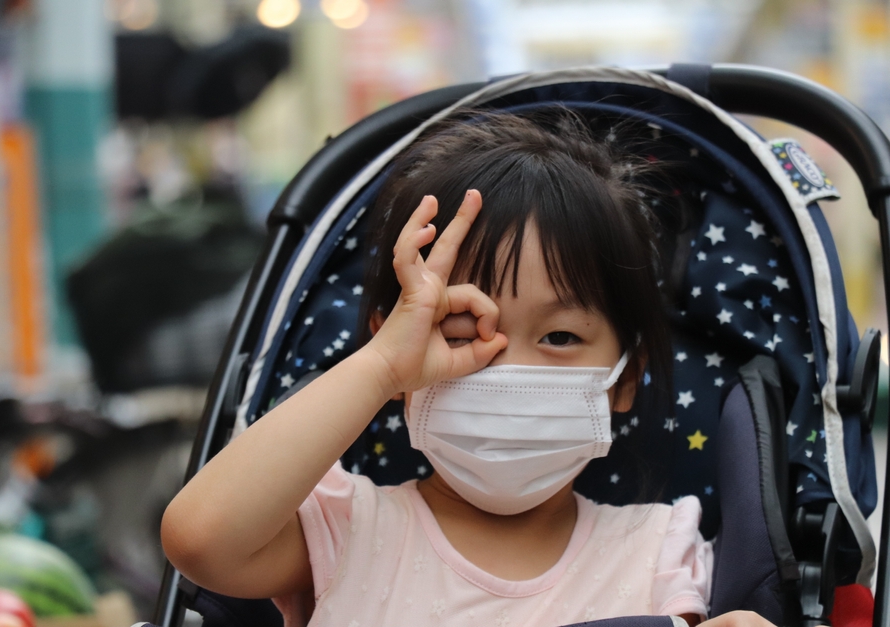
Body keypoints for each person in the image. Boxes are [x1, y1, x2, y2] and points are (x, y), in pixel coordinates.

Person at [162, 110, 775, 627]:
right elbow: (199, 542)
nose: (506, 365)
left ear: (626, 378)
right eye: (463, 331)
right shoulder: (345, 526)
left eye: (560, 336)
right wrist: (378, 369)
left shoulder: (659, 549)